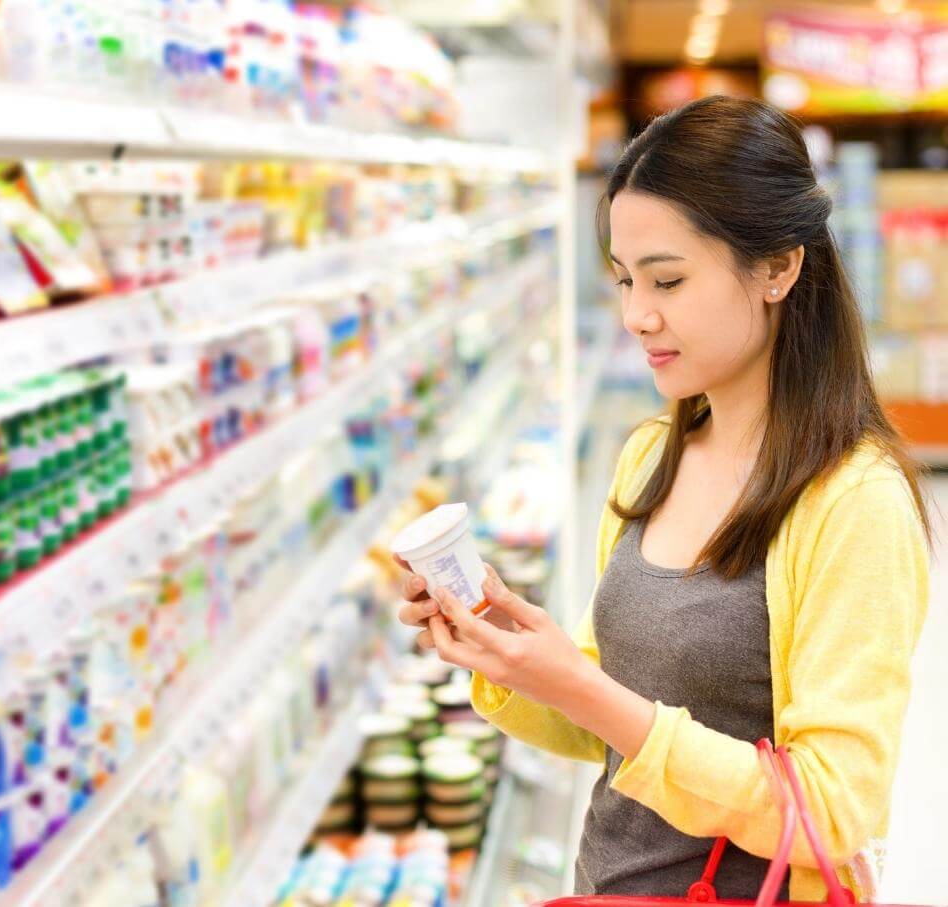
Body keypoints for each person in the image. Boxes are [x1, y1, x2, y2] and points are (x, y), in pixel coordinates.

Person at [397, 96, 930, 900]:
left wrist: (586, 689)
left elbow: (834, 808)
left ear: (780, 267)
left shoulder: (853, 499)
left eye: (668, 280)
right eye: (622, 279)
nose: (636, 315)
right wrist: (508, 647)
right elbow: (614, 725)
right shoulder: (654, 451)